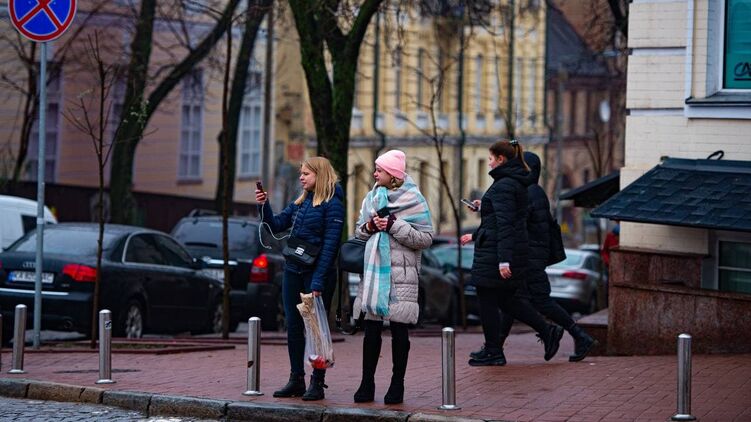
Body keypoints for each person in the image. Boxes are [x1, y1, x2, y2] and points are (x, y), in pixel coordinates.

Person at [460, 140, 563, 366]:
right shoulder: (511, 182)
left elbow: (506, 224)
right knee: (507, 301)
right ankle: (545, 332)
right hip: (502, 249)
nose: (489, 163)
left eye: (490, 159)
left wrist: (504, 261)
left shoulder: (504, 185)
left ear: (501, 159)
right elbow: (506, 215)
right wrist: (483, 207)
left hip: (497, 252)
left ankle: (494, 351)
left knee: (488, 299)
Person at [491, 152, 596, 363]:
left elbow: (517, 222)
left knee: (535, 301)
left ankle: (575, 335)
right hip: (532, 254)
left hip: (529, 256)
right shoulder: (533, 190)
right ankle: (496, 348)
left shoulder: (528, 192)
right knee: (513, 301)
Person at [255, 156, 344, 401]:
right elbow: (275, 225)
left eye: (306, 173)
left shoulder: (333, 204)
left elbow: (330, 247)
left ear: (320, 174)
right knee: (293, 325)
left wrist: (318, 281)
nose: (301, 178)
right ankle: (296, 379)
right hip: (293, 270)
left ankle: (317, 382)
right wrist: (264, 205)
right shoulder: (301, 202)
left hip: (316, 274)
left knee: (315, 329)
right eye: (300, 173)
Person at [351, 150, 433, 405]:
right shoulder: (372, 197)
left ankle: (398, 384)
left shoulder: (414, 199)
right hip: (374, 273)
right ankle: (367, 383)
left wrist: (394, 225)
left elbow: (425, 238)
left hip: (402, 276)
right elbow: (358, 232)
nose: (375, 174)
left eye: (380, 170)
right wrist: (369, 227)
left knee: (399, 331)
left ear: (393, 175)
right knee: (371, 331)